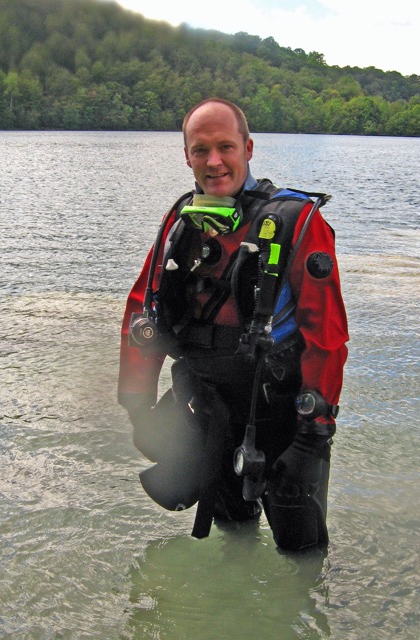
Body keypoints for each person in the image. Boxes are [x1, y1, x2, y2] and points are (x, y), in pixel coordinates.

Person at [118, 98, 348, 552]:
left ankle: (301, 619)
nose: (214, 161)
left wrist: (313, 434)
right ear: (186, 156)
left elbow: (328, 336)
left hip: (284, 420)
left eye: (226, 146)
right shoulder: (180, 222)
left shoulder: (297, 223)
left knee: (301, 553)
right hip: (209, 412)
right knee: (232, 539)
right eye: (200, 149)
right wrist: (137, 405)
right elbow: (143, 310)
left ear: (248, 147)